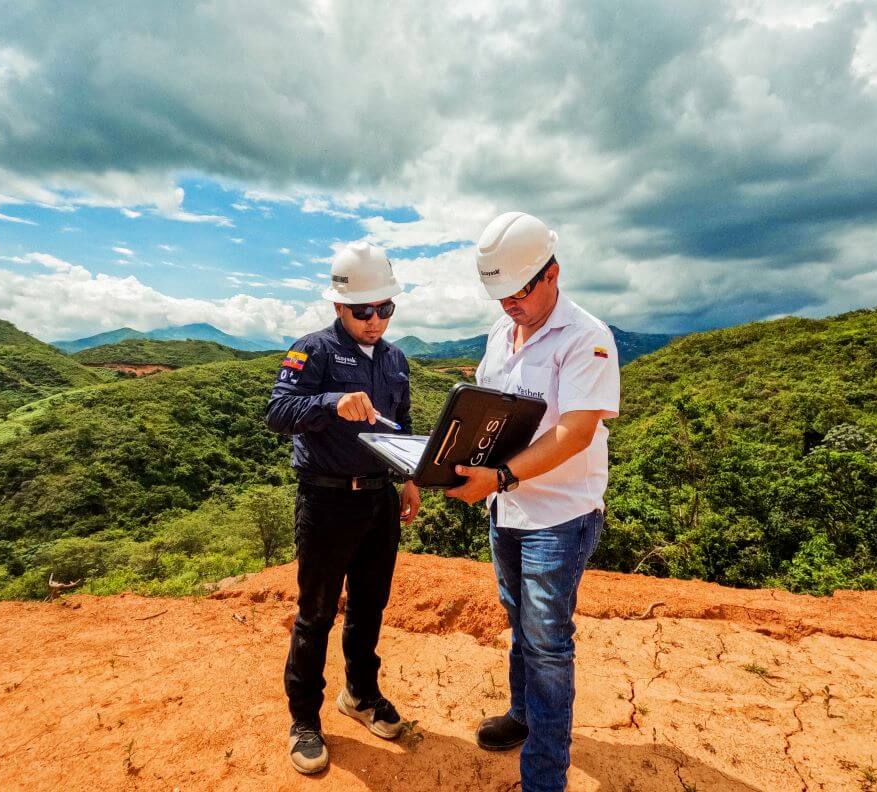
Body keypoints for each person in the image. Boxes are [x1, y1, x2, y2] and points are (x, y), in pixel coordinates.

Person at [445, 212, 620, 792]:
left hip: (559, 515)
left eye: (520, 291)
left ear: (553, 274)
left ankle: (545, 776)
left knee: (547, 644)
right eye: (500, 295)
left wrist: (496, 478)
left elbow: (574, 434)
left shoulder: (586, 337)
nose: (510, 305)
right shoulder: (501, 334)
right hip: (509, 510)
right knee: (520, 622)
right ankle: (523, 718)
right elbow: (490, 409)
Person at [265, 241, 421, 775]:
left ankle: (360, 694)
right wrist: (332, 402)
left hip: (379, 497)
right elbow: (278, 411)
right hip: (327, 499)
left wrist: (411, 480)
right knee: (316, 614)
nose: (375, 321)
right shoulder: (313, 351)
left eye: (385, 309)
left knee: (370, 605)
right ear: (339, 306)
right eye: (363, 311)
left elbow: (404, 425)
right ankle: (304, 719)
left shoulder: (397, 360)